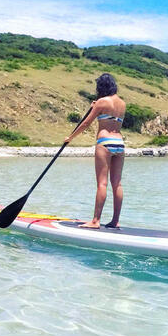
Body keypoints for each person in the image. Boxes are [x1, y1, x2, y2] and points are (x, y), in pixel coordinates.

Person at [64, 73, 126, 228]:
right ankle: (115, 221)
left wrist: (70, 137)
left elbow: (86, 123)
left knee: (102, 183)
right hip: (119, 143)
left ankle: (95, 221)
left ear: (101, 87)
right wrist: (96, 105)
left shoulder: (101, 102)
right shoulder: (122, 103)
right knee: (117, 184)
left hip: (105, 142)